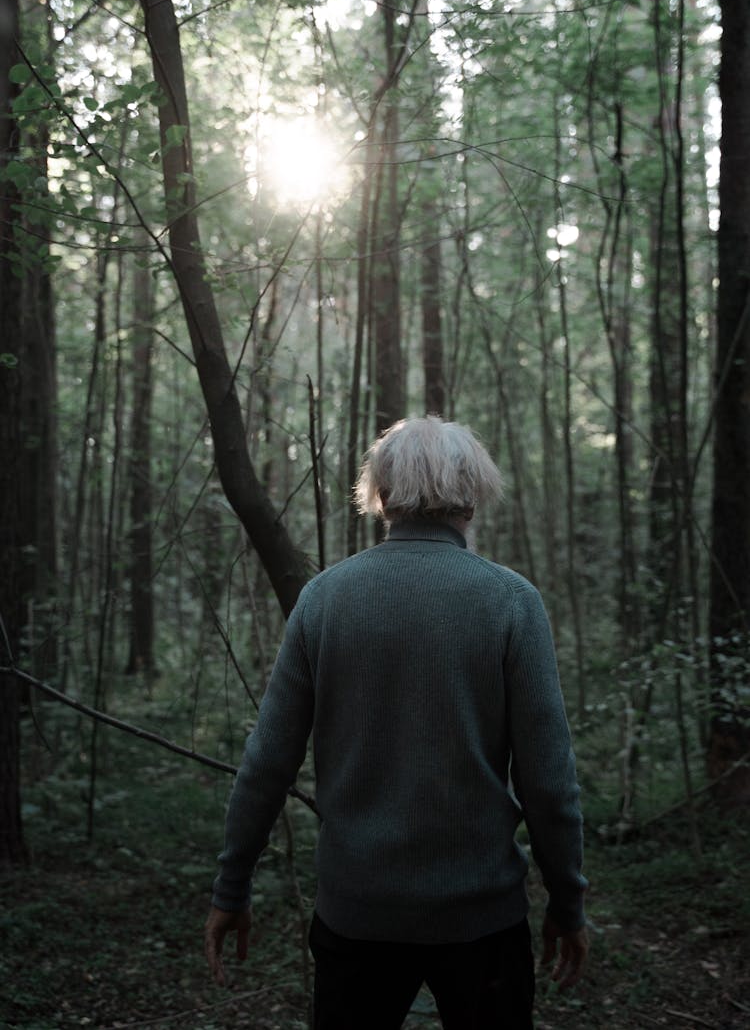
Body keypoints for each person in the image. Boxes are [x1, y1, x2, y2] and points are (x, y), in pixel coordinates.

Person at [205, 416, 588, 1029]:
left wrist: (231, 888)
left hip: (357, 915)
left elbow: (267, 762)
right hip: (481, 921)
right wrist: (568, 902)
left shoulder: (326, 598)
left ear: (381, 495)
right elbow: (549, 780)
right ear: (472, 493)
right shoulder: (511, 601)